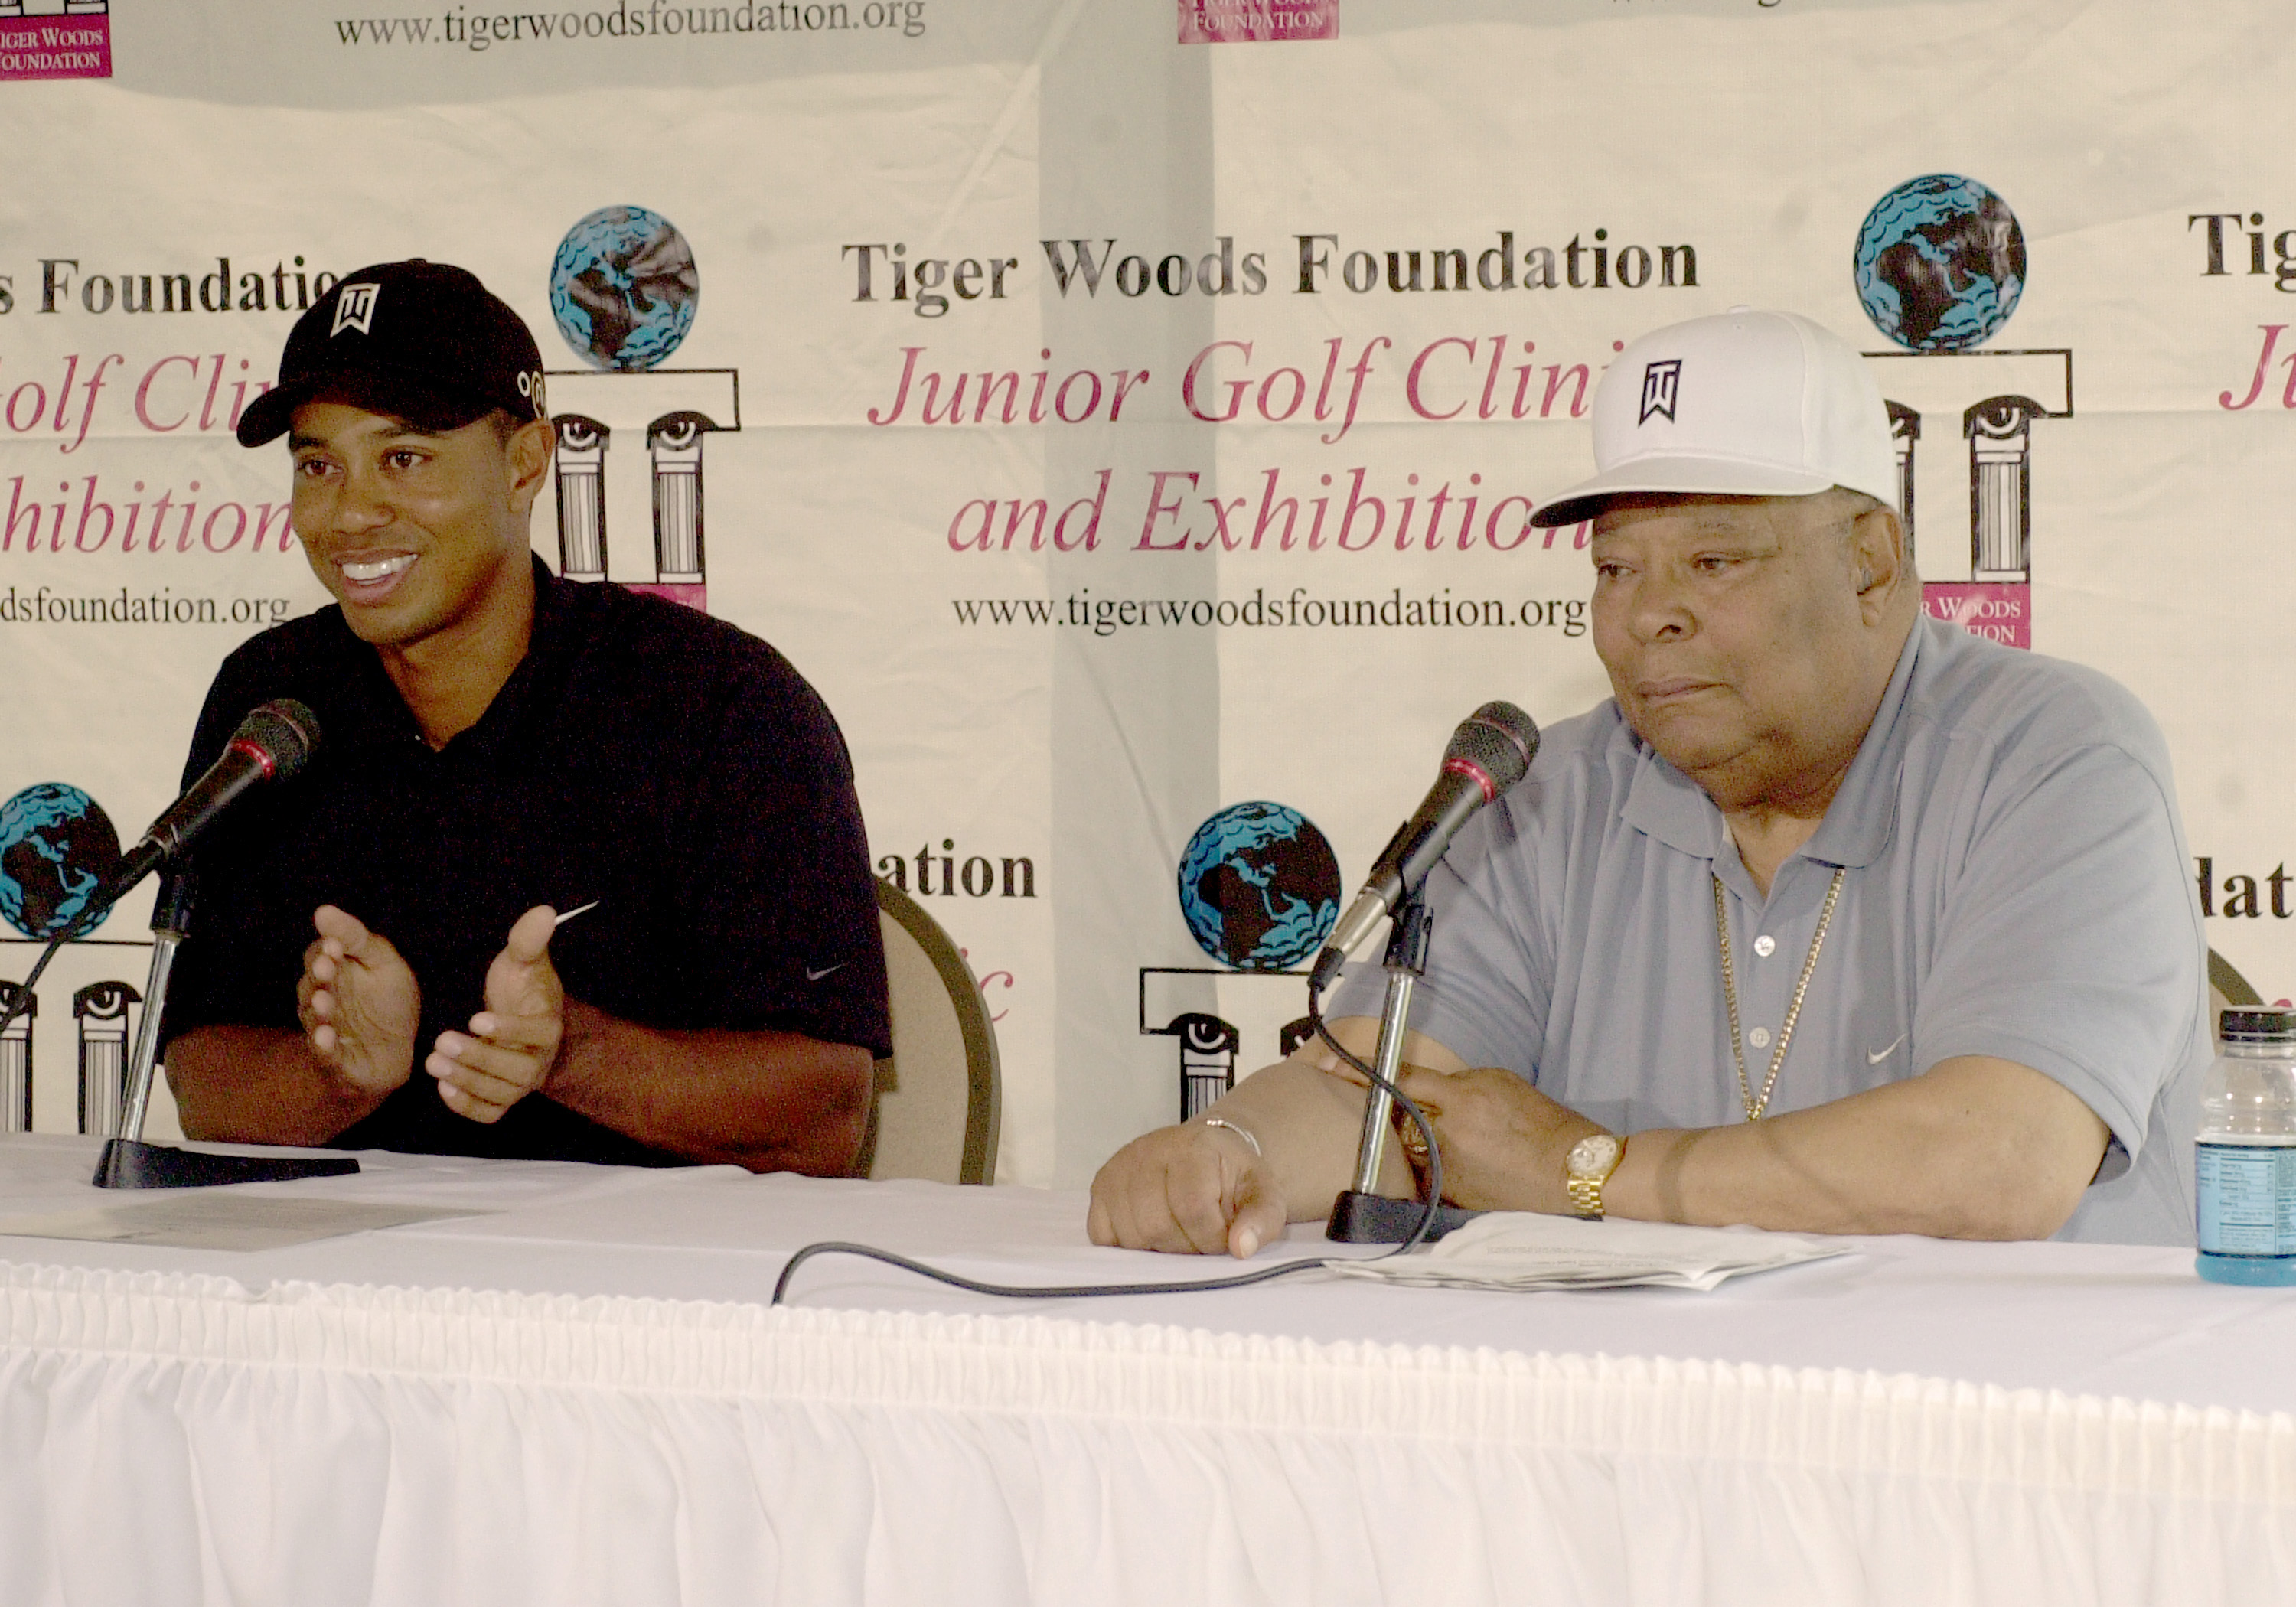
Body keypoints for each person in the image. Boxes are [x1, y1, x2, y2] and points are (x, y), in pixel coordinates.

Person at [1090, 307, 2207, 1255]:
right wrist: (1225, 1154)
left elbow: (1997, 1163)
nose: (1646, 614)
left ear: (1870, 559)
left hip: (1990, 1437)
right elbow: (1385, 1094)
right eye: (1616, 568)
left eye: (1714, 562)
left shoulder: (2054, 756)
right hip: (1646, 1420)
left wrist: (1582, 1171)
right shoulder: (1549, 791)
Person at [160, 259, 890, 1172]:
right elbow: (203, 1080)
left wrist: (570, 1053)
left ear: (525, 463)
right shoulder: (274, 702)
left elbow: (826, 1115)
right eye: (319, 465)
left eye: (404, 458)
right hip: (336, 1288)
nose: (350, 514)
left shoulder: (720, 703)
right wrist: (340, 1079)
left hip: (648, 1291)